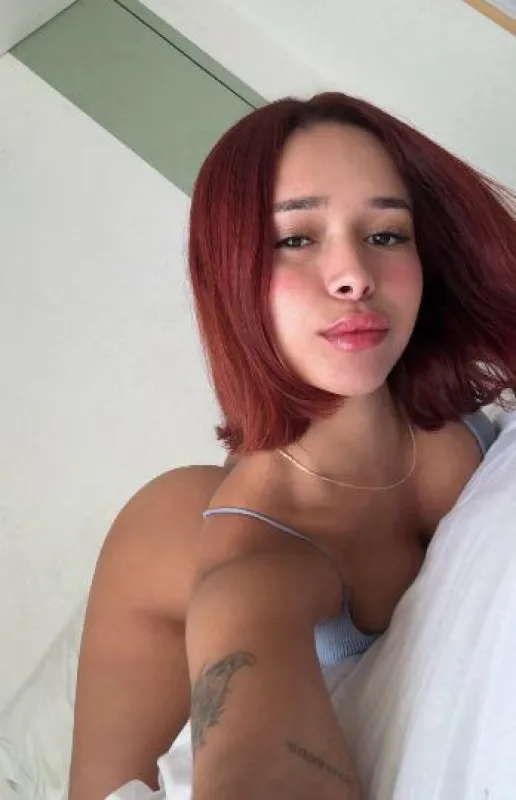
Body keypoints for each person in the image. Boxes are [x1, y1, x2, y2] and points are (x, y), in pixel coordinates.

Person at [68, 92, 516, 800]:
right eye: (296, 239)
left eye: (387, 234)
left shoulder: (464, 417)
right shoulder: (249, 554)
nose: (354, 275)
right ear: (230, 275)